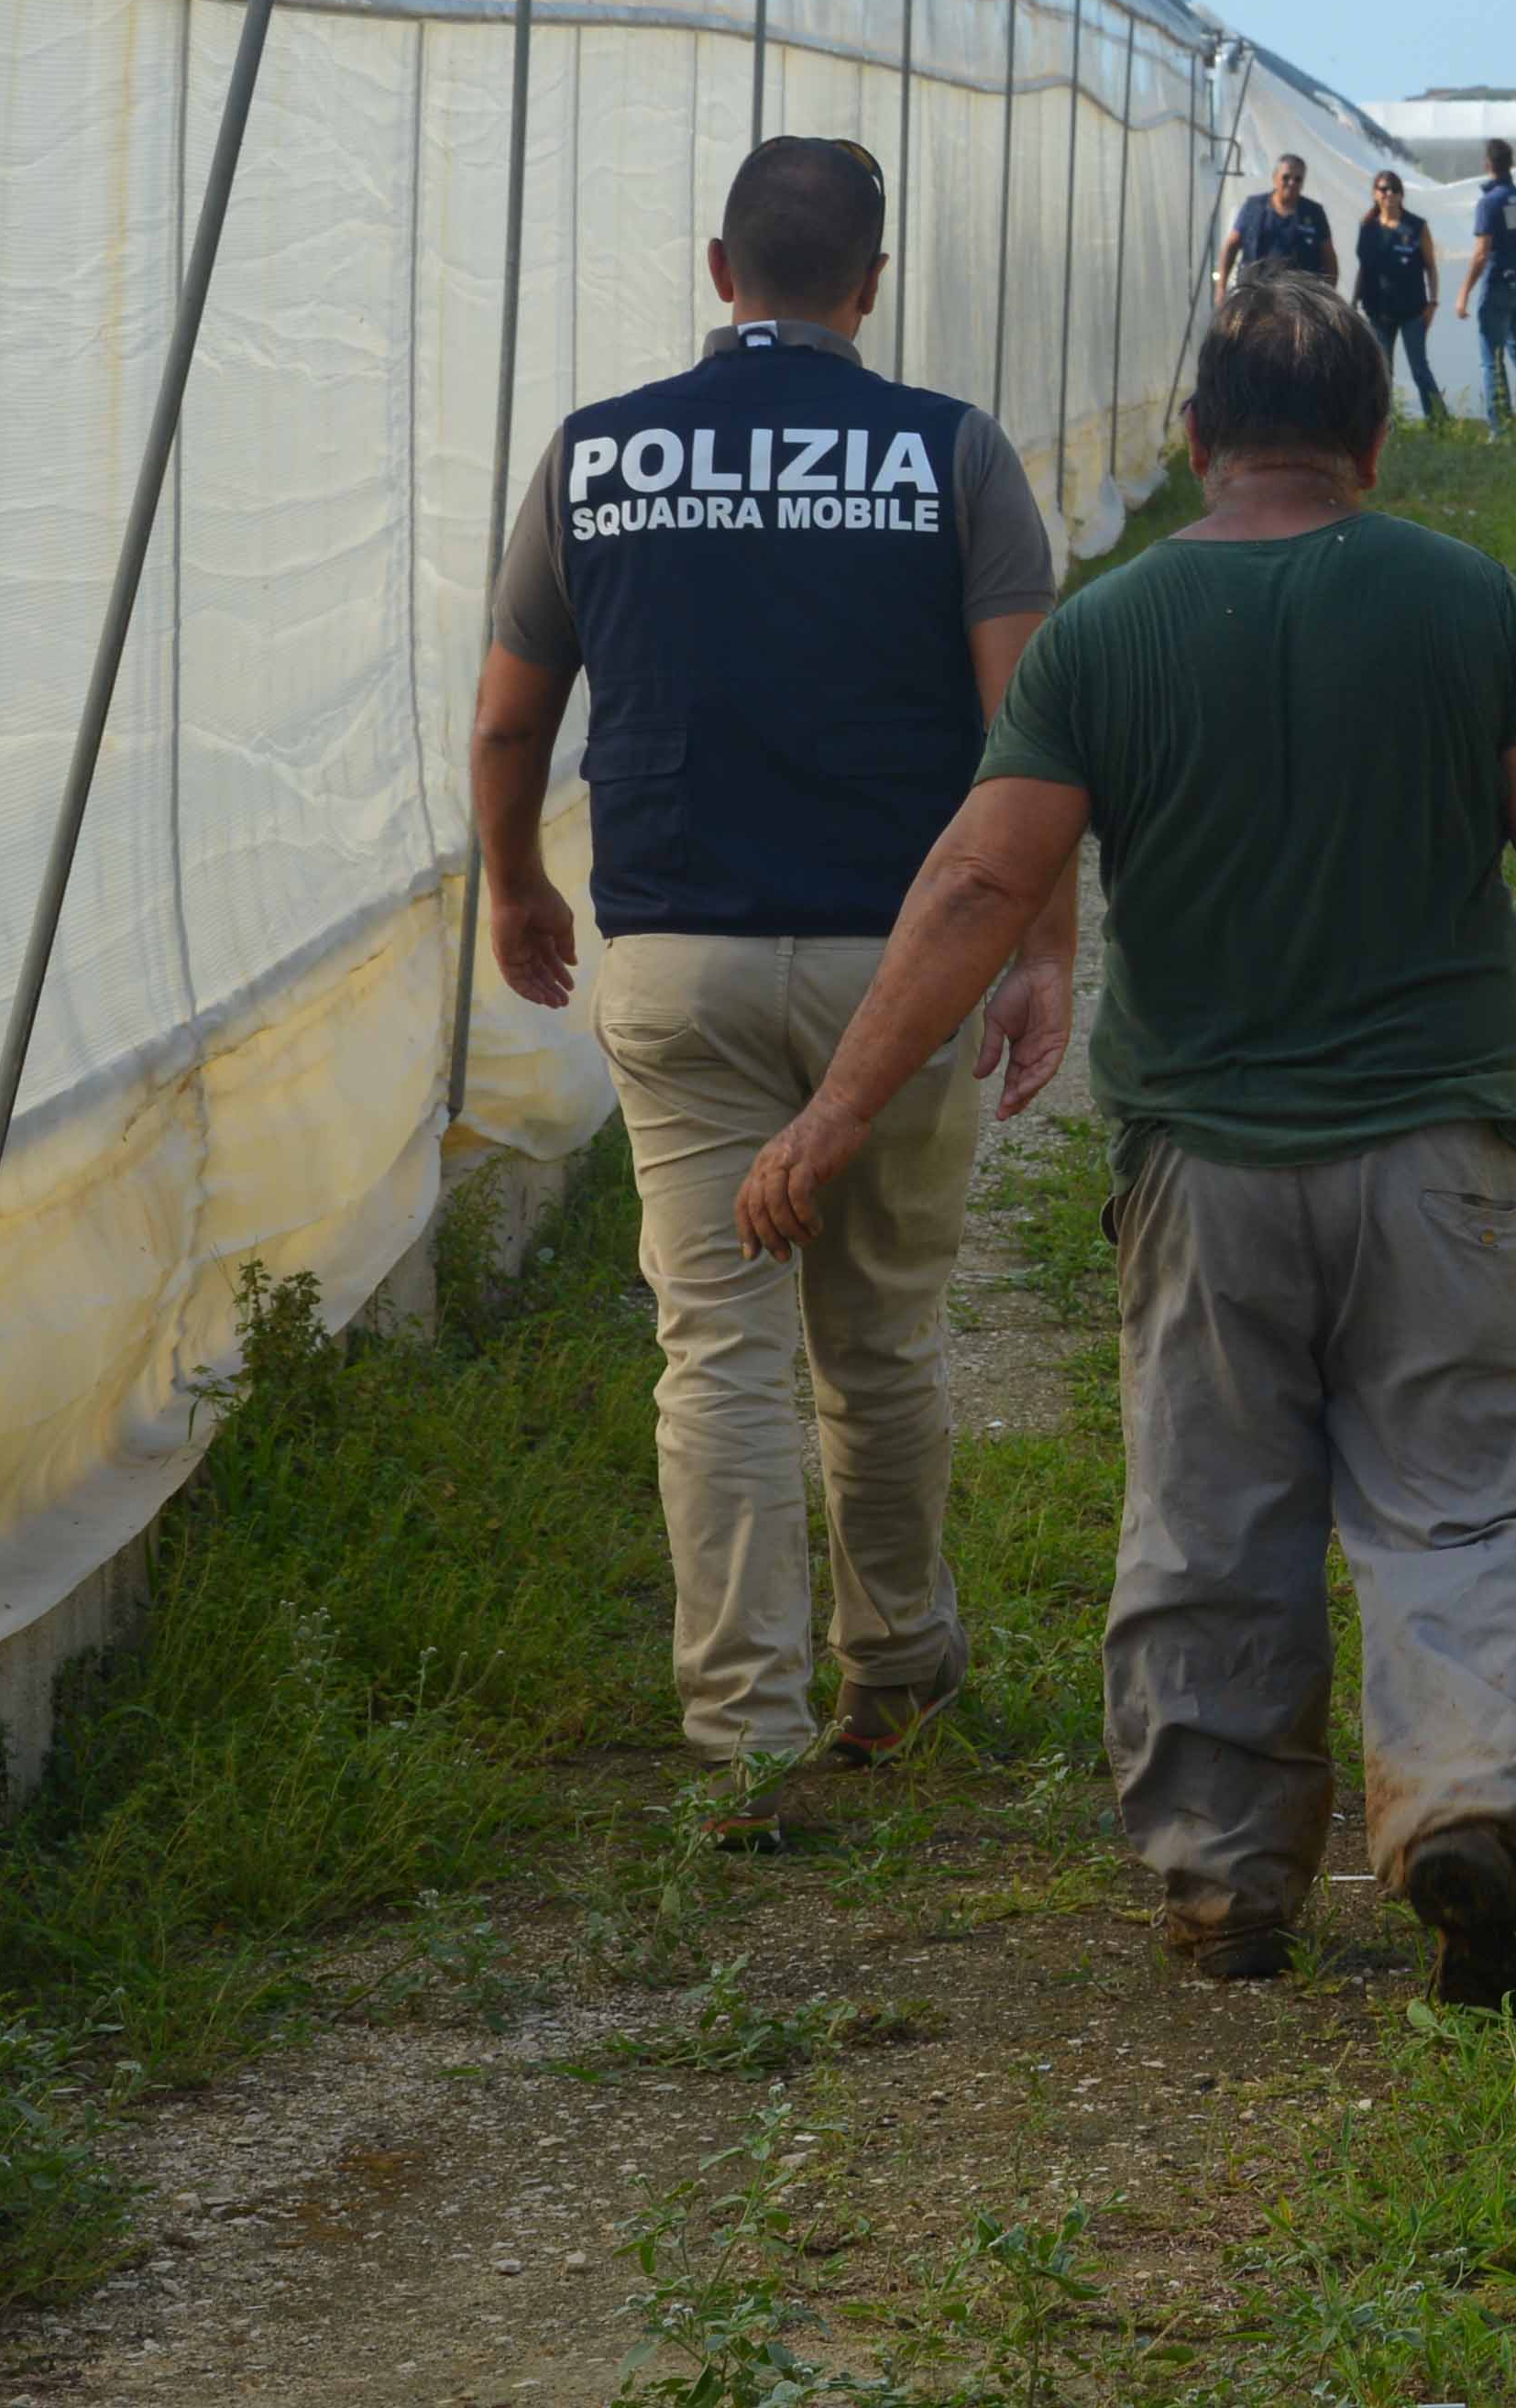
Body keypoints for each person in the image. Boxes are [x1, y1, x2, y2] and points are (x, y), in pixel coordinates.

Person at [736, 274, 1516, 2004]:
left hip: (1205, 1174)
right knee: (1475, 1499)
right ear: (1375, 445)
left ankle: (1231, 1882)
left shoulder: (1109, 631)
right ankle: (1467, 1796)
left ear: (1194, 440)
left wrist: (837, 1108)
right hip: (1450, 1159)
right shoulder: (1467, 603)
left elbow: (979, 881)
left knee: (1210, 1513)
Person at [471, 135, 1072, 1808]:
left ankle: (744, 1734)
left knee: (717, 1347)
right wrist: (1039, 952)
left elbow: (515, 712)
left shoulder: (596, 458)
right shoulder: (950, 455)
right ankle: (898, 1667)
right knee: (876, 1340)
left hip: (680, 960)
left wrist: (519, 881)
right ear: (869, 287)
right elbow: (1035, 734)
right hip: (904, 966)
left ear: (718, 270)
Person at [1455, 137, 1516, 426]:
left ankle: (1499, 429)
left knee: (1491, 360)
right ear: (1511, 164)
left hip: (1499, 286)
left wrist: (1463, 294)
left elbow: (1482, 252)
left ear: (1487, 165)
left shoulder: (1489, 202)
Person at [1354, 169, 1450, 425]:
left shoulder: (1416, 226)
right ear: (1375, 194)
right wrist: (1353, 303)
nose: (1389, 194)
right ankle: (1386, 426)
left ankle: (1439, 422)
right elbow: (1363, 268)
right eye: (1384, 189)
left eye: (1394, 189)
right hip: (1378, 311)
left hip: (1412, 310)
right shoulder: (1368, 228)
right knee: (1384, 372)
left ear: (1401, 194)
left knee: (1419, 368)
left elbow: (1430, 266)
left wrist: (1433, 303)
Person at [1223, 152, 1335, 306]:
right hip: (1254, 298)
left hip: (1299, 303)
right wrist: (1221, 289)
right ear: (1275, 178)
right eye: (1286, 177)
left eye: (1298, 179)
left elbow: (1329, 258)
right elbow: (1231, 245)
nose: (1291, 183)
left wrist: (1326, 300)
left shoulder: (1314, 213)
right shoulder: (1253, 206)